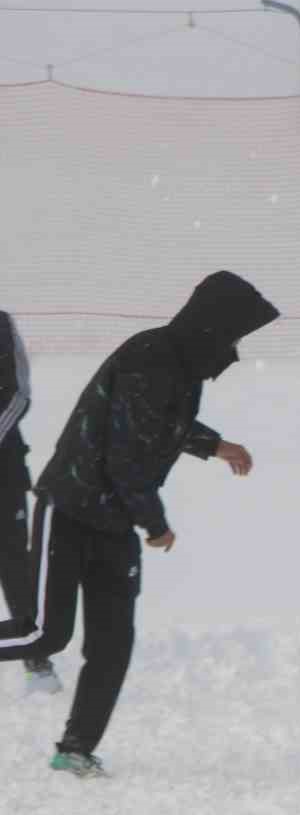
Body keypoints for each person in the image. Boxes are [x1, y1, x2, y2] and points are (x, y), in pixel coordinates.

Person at [0, 271, 279, 777]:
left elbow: (161, 426)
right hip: (68, 508)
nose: (236, 347)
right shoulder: (151, 358)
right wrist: (155, 525)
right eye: (236, 334)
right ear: (213, 327)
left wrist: (214, 446)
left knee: (112, 644)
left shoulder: (181, 367)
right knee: (43, 633)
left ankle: (75, 750)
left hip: (113, 519)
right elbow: (127, 455)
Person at [1, 310, 34, 674]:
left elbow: (19, 393)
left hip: (4, 473)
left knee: (13, 564)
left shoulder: (0, 323)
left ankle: (37, 663)